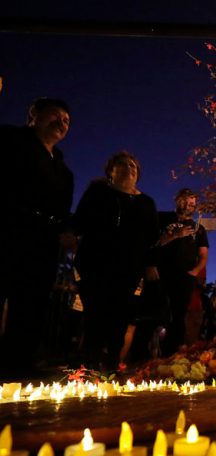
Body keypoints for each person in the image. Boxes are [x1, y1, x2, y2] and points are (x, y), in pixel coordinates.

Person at [0, 98, 74, 379]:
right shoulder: (10, 141)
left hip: (43, 242)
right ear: (34, 116)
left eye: (66, 121)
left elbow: (64, 210)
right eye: (54, 116)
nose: (61, 123)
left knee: (31, 302)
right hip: (8, 229)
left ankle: (17, 364)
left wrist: (66, 231)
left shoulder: (63, 170)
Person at [72, 151, 159, 371]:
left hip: (129, 268)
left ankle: (111, 364)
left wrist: (150, 264)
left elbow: (151, 238)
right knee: (94, 313)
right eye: (122, 163)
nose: (129, 167)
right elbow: (79, 221)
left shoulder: (146, 203)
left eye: (133, 165)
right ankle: (88, 364)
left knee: (120, 317)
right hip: (95, 263)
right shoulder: (98, 191)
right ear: (111, 170)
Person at [155, 188, 208, 356]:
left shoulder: (199, 228)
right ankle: (145, 354)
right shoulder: (163, 218)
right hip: (161, 274)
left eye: (193, 203)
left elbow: (203, 255)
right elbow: (154, 243)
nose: (189, 206)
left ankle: (172, 354)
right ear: (178, 201)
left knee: (179, 316)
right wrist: (175, 235)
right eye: (186, 201)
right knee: (157, 313)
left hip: (185, 277)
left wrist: (194, 272)